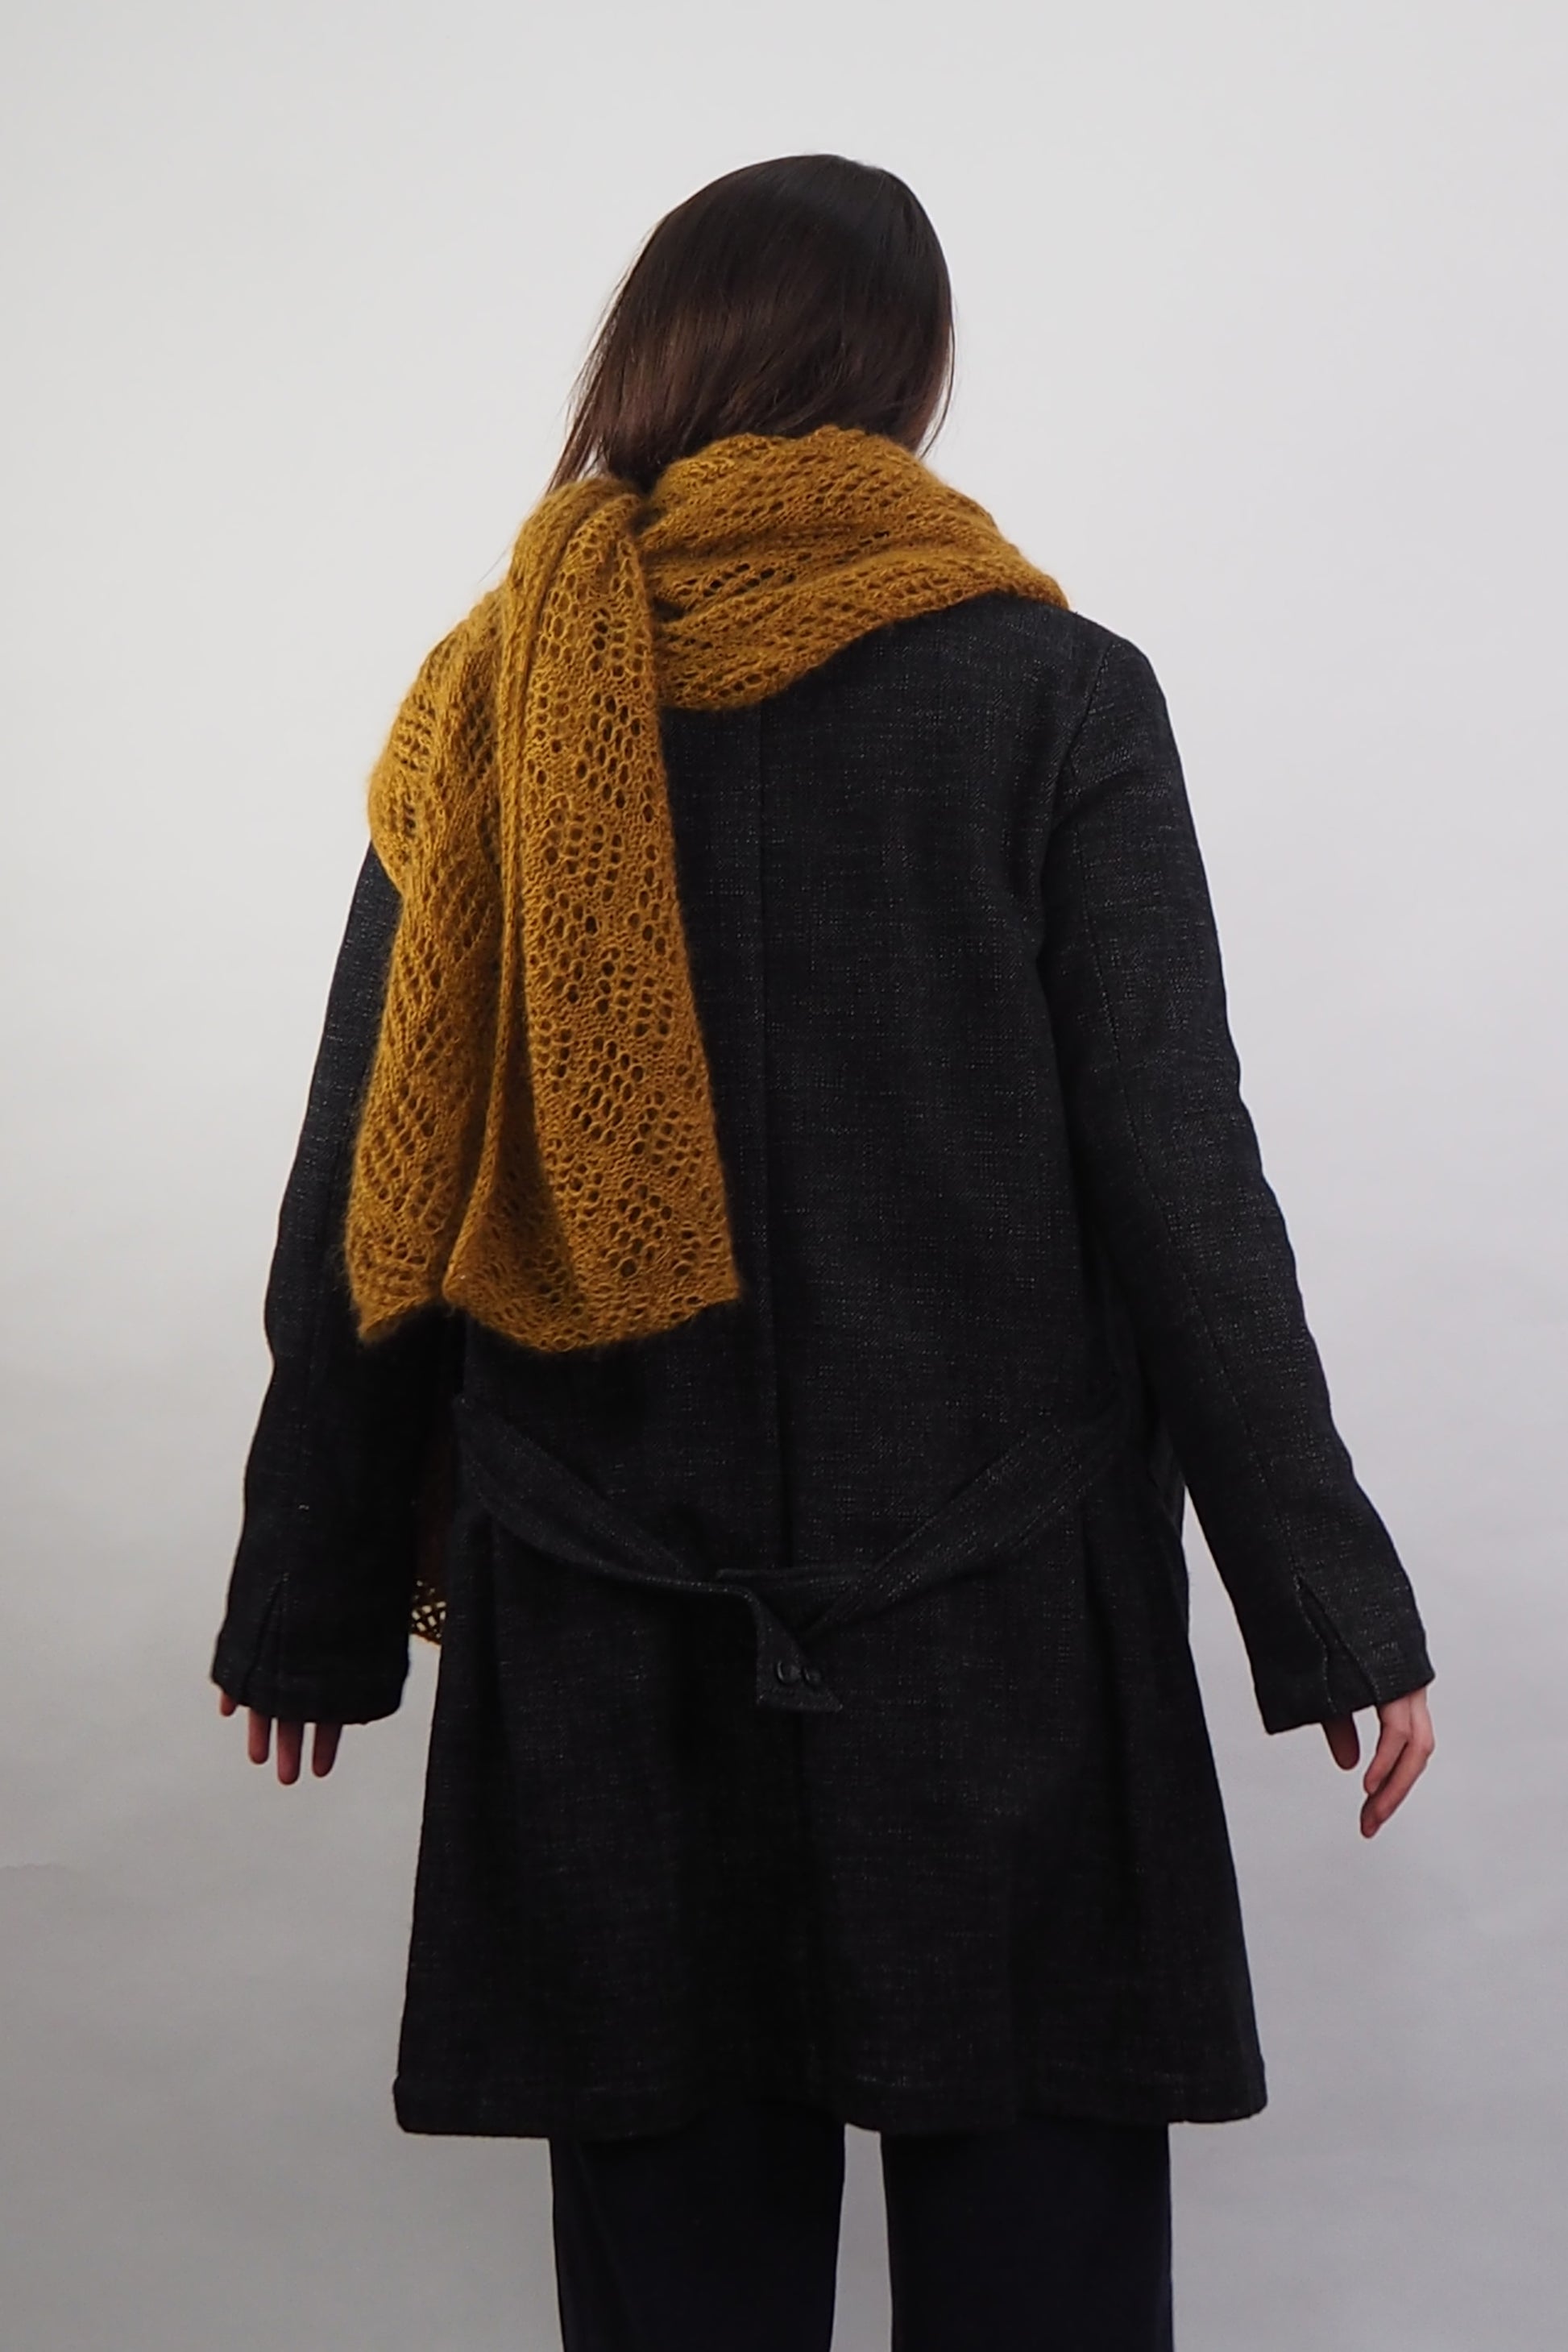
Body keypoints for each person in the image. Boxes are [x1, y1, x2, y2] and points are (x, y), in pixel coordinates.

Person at [211, 153, 1435, 2352]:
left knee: (676, 2296)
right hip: (1000, 1643)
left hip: (607, 1632)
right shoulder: (1053, 694)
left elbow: (362, 1182)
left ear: (652, 363)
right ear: (904, 373)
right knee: (1045, 2280)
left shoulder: (493, 694)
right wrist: (1329, 1604)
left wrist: (310, 1594)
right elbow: (1182, 1176)